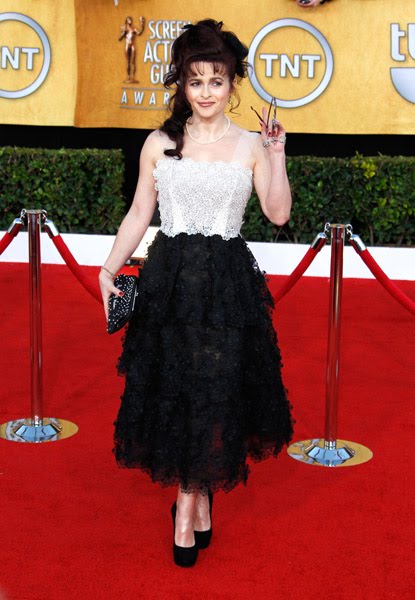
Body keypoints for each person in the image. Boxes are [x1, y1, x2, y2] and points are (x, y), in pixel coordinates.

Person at [99, 19, 294, 568]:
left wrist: (277, 154)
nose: (206, 92)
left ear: (232, 84)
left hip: (227, 288)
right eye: (195, 81)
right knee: (179, 390)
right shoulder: (160, 144)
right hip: (169, 286)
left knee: (215, 391)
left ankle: (188, 502)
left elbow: (278, 213)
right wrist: (108, 268)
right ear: (181, 85)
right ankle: (194, 498)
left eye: (216, 80)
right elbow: (140, 213)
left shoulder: (251, 144)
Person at [118, 16, 145, 83]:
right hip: (127, 46)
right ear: (126, 21)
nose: (130, 20)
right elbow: (119, 39)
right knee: (128, 62)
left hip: (132, 45)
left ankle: (133, 77)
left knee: (133, 62)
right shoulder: (125, 29)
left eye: (130, 19)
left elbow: (139, 33)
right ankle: (128, 77)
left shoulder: (134, 29)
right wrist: (123, 33)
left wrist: (142, 25)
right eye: (128, 20)